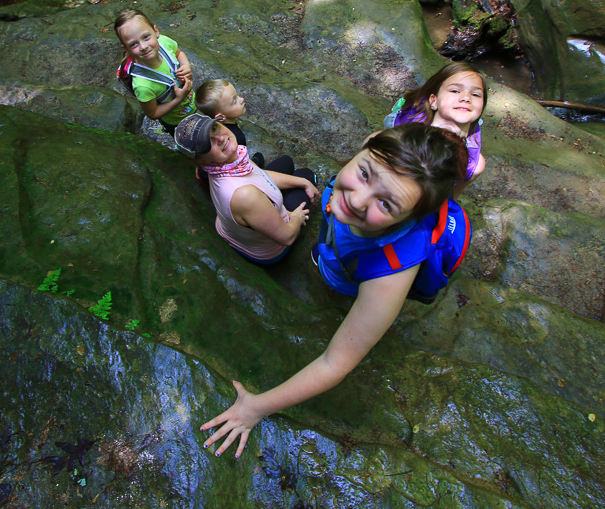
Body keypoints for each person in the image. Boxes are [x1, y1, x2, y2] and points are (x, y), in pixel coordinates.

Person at [200, 123, 471, 458]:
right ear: (366, 146)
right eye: (364, 172)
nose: (356, 200)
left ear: (413, 217)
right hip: (341, 253)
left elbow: (334, 362)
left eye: (386, 205)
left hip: (354, 274)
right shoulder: (366, 167)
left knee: (338, 268)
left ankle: (331, 271)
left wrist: (256, 407)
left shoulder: (391, 274)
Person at [175, 114, 317, 265]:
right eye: (207, 144)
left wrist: (302, 182)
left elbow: (260, 175)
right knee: (308, 174)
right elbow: (287, 237)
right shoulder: (245, 196)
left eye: (214, 128)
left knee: (287, 162)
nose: (220, 138)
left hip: (236, 225)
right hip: (270, 248)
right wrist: (296, 217)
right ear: (199, 159)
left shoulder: (224, 162)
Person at [385, 62, 487, 197]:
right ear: (434, 101)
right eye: (455, 91)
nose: (466, 98)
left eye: (476, 94)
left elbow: (450, 198)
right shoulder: (405, 133)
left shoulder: (474, 165)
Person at [114, 8, 196, 136]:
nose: (143, 46)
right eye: (134, 44)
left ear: (156, 31)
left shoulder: (163, 42)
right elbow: (153, 113)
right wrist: (178, 99)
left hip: (193, 103)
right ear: (126, 49)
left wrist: (186, 65)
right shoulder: (143, 85)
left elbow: (179, 53)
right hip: (175, 122)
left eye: (146, 37)